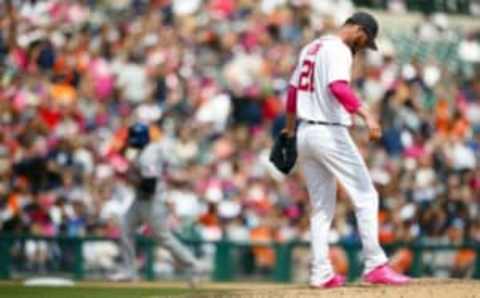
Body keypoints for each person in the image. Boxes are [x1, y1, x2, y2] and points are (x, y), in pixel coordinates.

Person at [283, 12, 411, 288]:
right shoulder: (339, 49)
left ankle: (321, 273)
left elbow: (293, 93)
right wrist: (368, 115)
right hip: (328, 132)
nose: (363, 46)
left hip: (305, 132)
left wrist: (290, 131)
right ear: (358, 29)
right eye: (365, 40)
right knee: (366, 195)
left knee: (321, 209)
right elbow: (338, 87)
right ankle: (375, 264)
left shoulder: (311, 48)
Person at [110, 123, 202, 285]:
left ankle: (192, 265)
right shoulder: (145, 150)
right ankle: (129, 271)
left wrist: (130, 179)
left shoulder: (148, 155)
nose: (131, 142)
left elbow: (149, 186)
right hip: (140, 201)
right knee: (125, 229)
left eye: (133, 139)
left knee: (163, 238)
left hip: (152, 202)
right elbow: (124, 152)